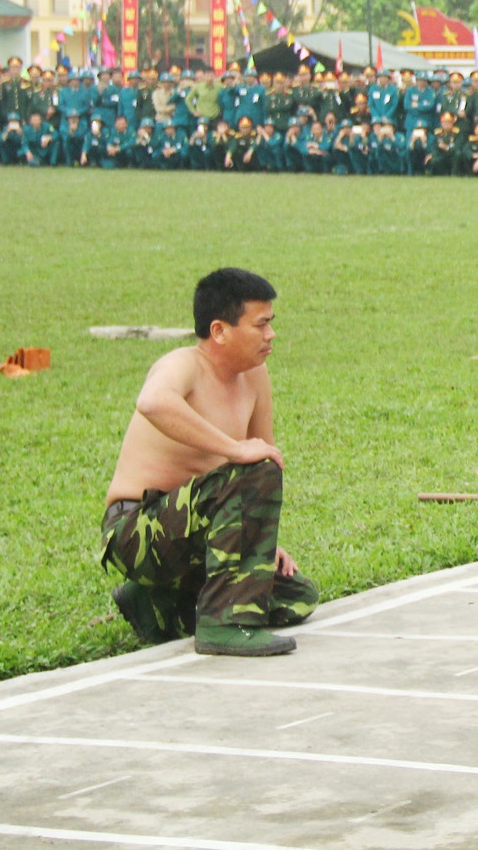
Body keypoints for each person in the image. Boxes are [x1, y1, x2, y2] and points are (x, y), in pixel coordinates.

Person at [99, 268, 317, 656]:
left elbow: (262, 466)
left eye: (272, 323)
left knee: (297, 596)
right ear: (219, 331)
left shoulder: (255, 376)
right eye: (261, 325)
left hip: (200, 531)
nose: (271, 335)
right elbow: (152, 402)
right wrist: (235, 450)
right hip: (138, 532)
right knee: (256, 466)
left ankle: (158, 604)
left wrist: (263, 542)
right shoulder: (182, 364)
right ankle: (224, 626)